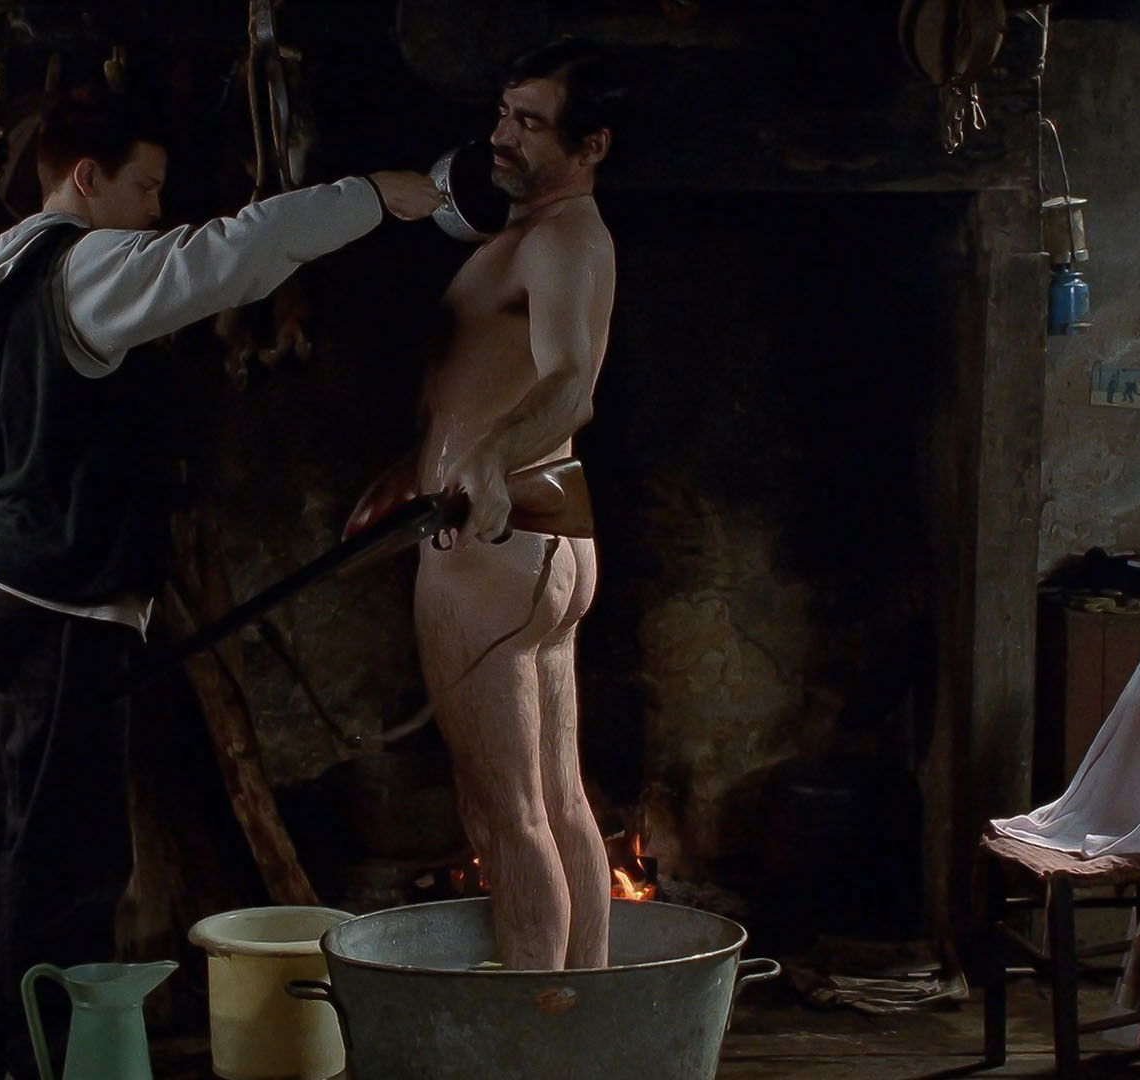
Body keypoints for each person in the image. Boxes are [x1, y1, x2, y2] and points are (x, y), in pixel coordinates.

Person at [0, 94, 439, 1080]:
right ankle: (36, 1061)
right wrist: (373, 195)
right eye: (145, 186)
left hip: (22, 597)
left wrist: (0, 558)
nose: (156, 211)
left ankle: (44, 1053)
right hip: (59, 609)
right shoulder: (82, 264)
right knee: (66, 860)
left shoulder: (0, 273)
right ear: (85, 178)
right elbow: (232, 253)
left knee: (58, 848)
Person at [352, 39, 624, 970]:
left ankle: (539, 1025)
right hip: (532, 541)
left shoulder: (563, 240)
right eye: (504, 114)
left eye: (531, 123)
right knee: (555, 799)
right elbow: (490, 382)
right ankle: (582, 1013)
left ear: (591, 145)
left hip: (497, 544)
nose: (502, 137)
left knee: (504, 813)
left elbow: (570, 386)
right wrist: (417, 465)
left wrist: (488, 462)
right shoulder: (534, 234)